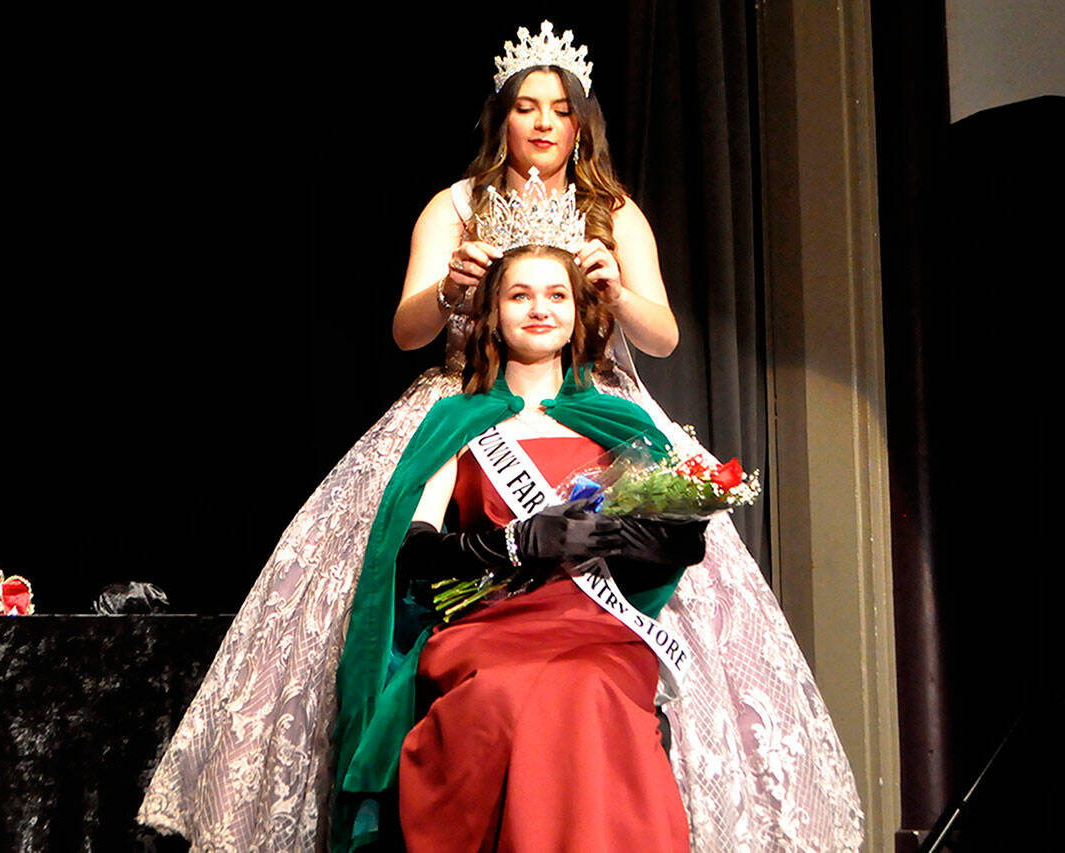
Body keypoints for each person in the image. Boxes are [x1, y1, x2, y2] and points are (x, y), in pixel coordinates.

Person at [139, 21, 864, 852]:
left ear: (581, 121)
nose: (545, 124)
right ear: (503, 118)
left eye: (561, 109)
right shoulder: (454, 204)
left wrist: (615, 290)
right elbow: (408, 330)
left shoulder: (613, 209)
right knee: (394, 573)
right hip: (471, 398)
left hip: (591, 403)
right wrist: (449, 290)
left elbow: (660, 335)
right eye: (527, 108)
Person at [333, 238, 701, 850]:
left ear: (580, 314)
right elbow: (417, 553)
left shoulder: (625, 424)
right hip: (489, 627)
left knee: (582, 689)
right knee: (508, 695)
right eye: (520, 295)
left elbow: (682, 547)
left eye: (557, 295)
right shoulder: (457, 421)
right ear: (493, 314)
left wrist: (632, 539)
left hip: (597, 629)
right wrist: (518, 541)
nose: (540, 308)